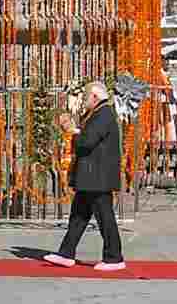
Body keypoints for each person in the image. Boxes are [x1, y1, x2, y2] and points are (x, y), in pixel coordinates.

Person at [44, 80, 126, 271]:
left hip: (97, 177)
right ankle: (66, 253)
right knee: (78, 216)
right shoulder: (98, 113)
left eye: (86, 97)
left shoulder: (103, 114)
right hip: (91, 177)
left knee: (105, 217)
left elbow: (87, 142)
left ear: (95, 96)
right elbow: (90, 137)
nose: (83, 101)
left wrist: (71, 131)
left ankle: (114, 258)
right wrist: (76, 130)